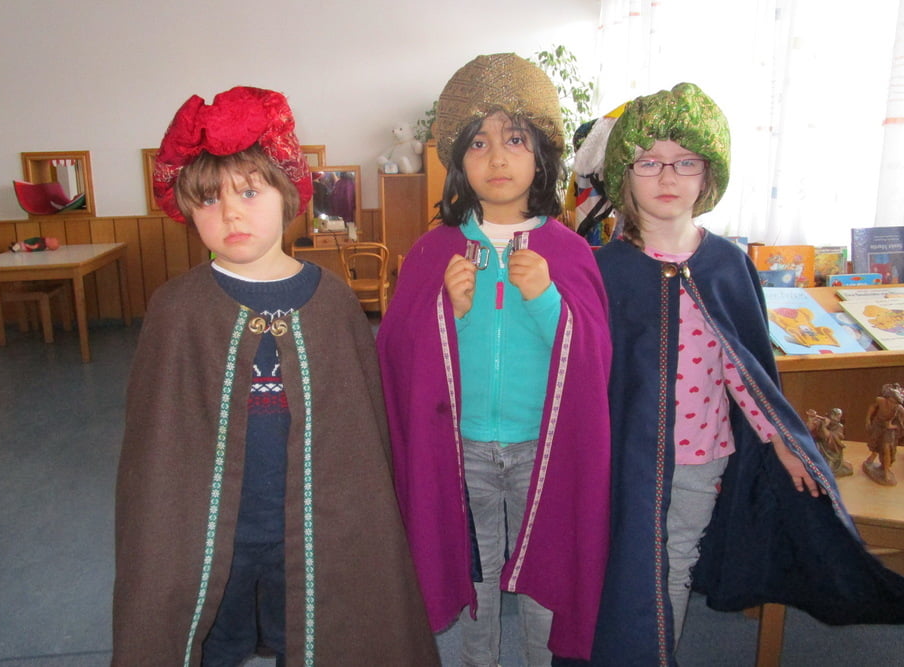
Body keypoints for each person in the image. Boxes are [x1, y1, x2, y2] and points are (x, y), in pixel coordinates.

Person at [557, 82, 904, 666]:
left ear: (708, 175)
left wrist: (782, 440)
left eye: (685, 162)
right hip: (623, 456)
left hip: (702, 453)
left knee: (674, 560)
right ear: (625, 175)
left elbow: (746, 369)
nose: (668, 176)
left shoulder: (726, 264)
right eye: (649, 162)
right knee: (622, 562)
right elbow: (582, 371)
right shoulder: (604, 269)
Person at [112, 86, 439, 666]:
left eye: (248, 191)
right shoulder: (176, 309)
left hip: (318, 535)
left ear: (287, 193)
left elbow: (362, 442)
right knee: (209, 645)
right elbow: (154, 454)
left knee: (322, 640)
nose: (230, 212)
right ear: (185, 209)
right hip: (209, 538)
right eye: (208, 198)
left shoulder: (333, 302)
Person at [377, 53, 613, 666]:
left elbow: (593, 359)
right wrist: (448, 314)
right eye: (479, 143)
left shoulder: (569, 252)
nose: (498, 158)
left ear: (541, 155)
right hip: (466, 446)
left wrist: (547, 299)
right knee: (476, 577)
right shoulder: (435, 251)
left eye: (515, 140)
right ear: (459, 161)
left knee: (544, 575)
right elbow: (398, 354)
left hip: (543, 447)